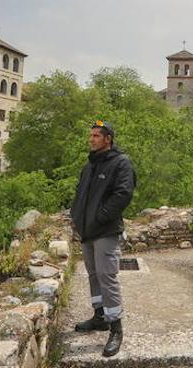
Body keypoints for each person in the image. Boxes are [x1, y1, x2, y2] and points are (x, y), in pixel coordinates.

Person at [70, 120, 136, 358]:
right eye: (91, 135)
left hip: (105, 231)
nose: (92, 139)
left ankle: (116, 328)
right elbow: (80, 194)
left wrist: (101, 217)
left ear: (108, 139)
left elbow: (123, 194)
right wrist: (76, 217)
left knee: (107, 277)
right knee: (93, 274)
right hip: (87, 231)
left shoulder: (121, 162)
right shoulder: (90, 164)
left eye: (97, 136)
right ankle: (100, 317)